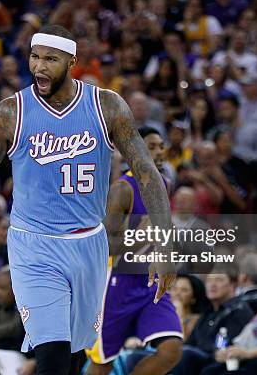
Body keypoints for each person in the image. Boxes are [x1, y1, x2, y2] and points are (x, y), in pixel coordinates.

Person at [0, 25, 173, 375]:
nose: (39, 67)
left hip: (90, 244)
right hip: (34, 246)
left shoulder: (107, 106)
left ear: (71, 62)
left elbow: (148, 173)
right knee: (52, 354)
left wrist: (164, 246)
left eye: (51, 59)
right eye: (35, 57)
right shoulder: (10, 114)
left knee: (74, 353)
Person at [86, 126, 182, 375]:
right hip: (116, 281)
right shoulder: (123, 190)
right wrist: (140, 236)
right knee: (102, 362)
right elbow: (103, 244)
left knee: (171, 349)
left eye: (161, 146)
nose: (159, 152)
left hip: (148, 279)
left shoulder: (165, 184)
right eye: (151, 147)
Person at [171, 271, 255, 375]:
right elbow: (190, 342)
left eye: (219, 280)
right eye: (209, 280)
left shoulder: (239, 310)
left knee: (186, 353)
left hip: (218, 363)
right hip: (196, 359)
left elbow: (225, 348)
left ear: (234, 284)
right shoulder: (208, 311)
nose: (212, 284)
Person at [171, 275, 208, 341]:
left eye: (184, 290)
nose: (177, 293)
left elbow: (183, 344)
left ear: (193, 298)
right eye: (174, 288)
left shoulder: (198, 320)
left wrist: (179, 316)